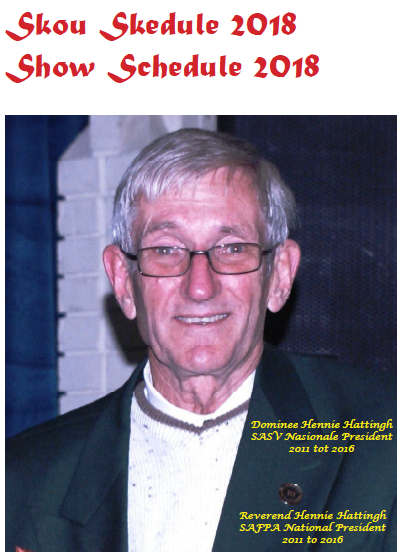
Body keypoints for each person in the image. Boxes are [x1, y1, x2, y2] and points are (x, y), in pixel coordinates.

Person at [6, 128, 396, 552]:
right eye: (166, 250)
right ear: (123, 281)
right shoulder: (26, 479)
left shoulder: (380, 439)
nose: (199, 287)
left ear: (280, 275)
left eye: (231, 248)